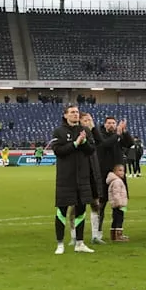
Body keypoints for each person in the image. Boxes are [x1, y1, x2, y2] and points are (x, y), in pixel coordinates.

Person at [50, 106, 100, 254]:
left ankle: (80, 243)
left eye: (77, 112)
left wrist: (84, 142)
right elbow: (58, 151)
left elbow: (92, 150)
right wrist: (75, 143)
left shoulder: (85, 131)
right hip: (65, 178)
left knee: (81, 210)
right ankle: (60, 243)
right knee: (62, 211)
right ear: (65, 115)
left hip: (82, 177)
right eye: (72, 112)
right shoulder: (58, 131)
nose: (75, 114)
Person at [92, 117, 134, 245]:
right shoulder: (100, 135)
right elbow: (105, 144)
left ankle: (117, 232)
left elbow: (130, 143)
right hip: (104, 174)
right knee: (102, 204)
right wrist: (118, 134)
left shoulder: (119, 135)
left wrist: (125, 132)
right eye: (109, 123)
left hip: (119, 174)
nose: (111, 125)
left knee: (120, 204)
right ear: (104, 124)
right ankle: (97, 233)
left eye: (113, 123)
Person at [106, 163, 129, 242]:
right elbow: (116, 193)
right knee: (119, 219)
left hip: (115, 204)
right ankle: (119, 235)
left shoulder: (115, 181)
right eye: (120, 170)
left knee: (115, 219)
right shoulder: (117, 181)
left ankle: (113, 235)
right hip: (119, 204)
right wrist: (120, 204)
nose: (122, 172)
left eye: (123, 171)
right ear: (115, 172)